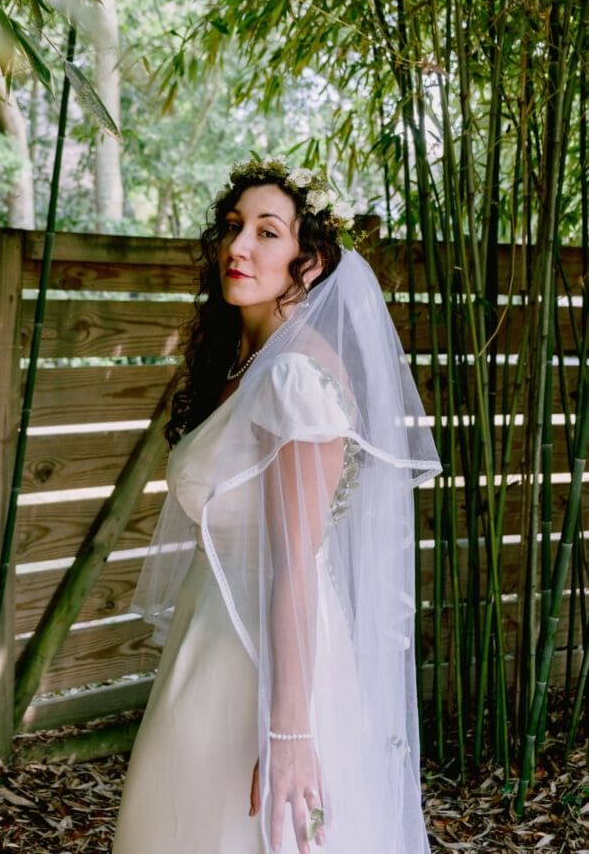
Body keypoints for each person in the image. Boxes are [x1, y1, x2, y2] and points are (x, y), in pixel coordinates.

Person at [112, 155, 441, 854]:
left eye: (267, 232)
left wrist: (288, 732)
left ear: (309, 262)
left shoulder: (294, 375)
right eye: (233, 228)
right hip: (212, 641)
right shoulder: (246, 367)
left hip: (263, 657)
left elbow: (295, 559)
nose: (237, 247)